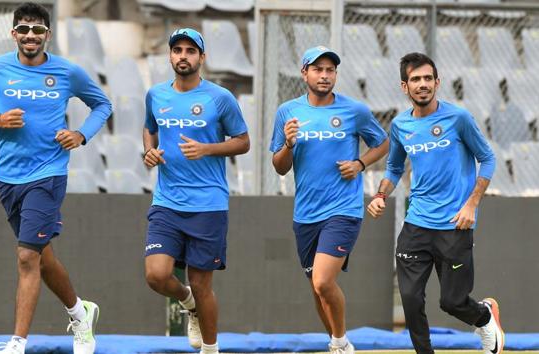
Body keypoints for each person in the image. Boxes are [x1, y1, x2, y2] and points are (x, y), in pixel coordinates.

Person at [0, 3, 112, 354]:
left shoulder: (67, 72)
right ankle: (80, 312)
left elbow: (102, 104)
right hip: (8, 177)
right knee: (41, 257)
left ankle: (17, 342)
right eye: (24, 29)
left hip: (48, 174)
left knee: (27, 257)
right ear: (14, 33)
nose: (31, 36)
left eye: (38, 30)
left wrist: (81, 135)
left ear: (48, 34)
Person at [366, 52, 503, 354]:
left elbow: (488, 158)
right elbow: (394, 168)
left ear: (437, 82)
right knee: (412, 301)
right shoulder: (401, 125)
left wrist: (471, 205)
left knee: (452, 302)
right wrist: (380, 195)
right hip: (416, 225)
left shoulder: (459, 118)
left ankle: (483, 315)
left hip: (455, 224)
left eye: (428, 78)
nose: (422, 84)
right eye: (415, 79)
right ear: (405, 86)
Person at [270, 46, 389, 354]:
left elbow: (383, 143)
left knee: (323, 281)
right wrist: (287, 144)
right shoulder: (288, 112)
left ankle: (340, 342)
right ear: (304, 73)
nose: (324, 76)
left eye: (330, 70)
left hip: (344, 209)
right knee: (316, 288)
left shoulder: (355, 111)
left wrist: (360, 164)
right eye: (318, 69)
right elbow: (280, 166)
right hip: (306, 213)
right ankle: (337, 343)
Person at [142, 28, 250, 354]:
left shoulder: (219, 98)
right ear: (170, 55)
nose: (183, 56)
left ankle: (210, 349)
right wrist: (149, 151)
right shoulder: (156, 95)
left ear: (202, 58)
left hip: (208, 203)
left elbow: (243, 141)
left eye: (191, 50)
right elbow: (150, 129)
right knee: (156, 275)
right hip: (167, 201)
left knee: (203, 284)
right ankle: (186, 301)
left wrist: (207, 149)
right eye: (178, 50)